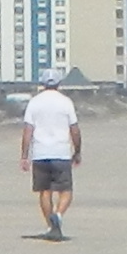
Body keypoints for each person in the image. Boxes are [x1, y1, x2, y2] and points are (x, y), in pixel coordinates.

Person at [19, 82, 79, 238]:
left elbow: (28, 130)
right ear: (58, 84)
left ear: (43, 84)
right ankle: (58, 216)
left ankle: (51, 226)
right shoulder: (66, 102)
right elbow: (74, 129)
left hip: (40, 153)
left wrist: (24, 155)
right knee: (66, 191)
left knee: (45, 191)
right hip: (61, 152)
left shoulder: (35, 102)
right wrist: (77, 151)